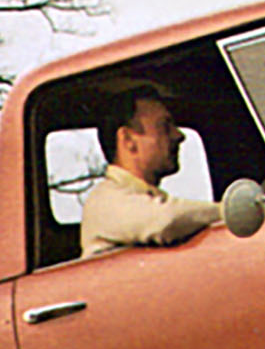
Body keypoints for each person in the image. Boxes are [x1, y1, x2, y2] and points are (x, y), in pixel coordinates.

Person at [80, 87, 223, 257]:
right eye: (165, 126)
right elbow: (165, 220)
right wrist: (228, 212)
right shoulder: (103, 202)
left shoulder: (142, 198)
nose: (179, 135)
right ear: (128, 140)